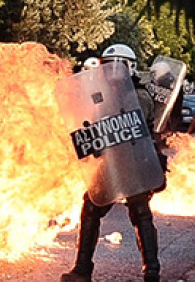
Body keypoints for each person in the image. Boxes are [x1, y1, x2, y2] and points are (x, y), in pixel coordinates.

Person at [62, 43, 162, 282]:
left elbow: (129, 123)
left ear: (129, 68)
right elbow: (98, 128)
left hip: (134, 161)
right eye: (107, 67)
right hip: (113, 163)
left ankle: (151, 269)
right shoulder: (104, 96)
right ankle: (83, 269)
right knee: (93, 207)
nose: (110, 72)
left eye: (115, 67)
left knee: (139, 213)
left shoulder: (138, 95)